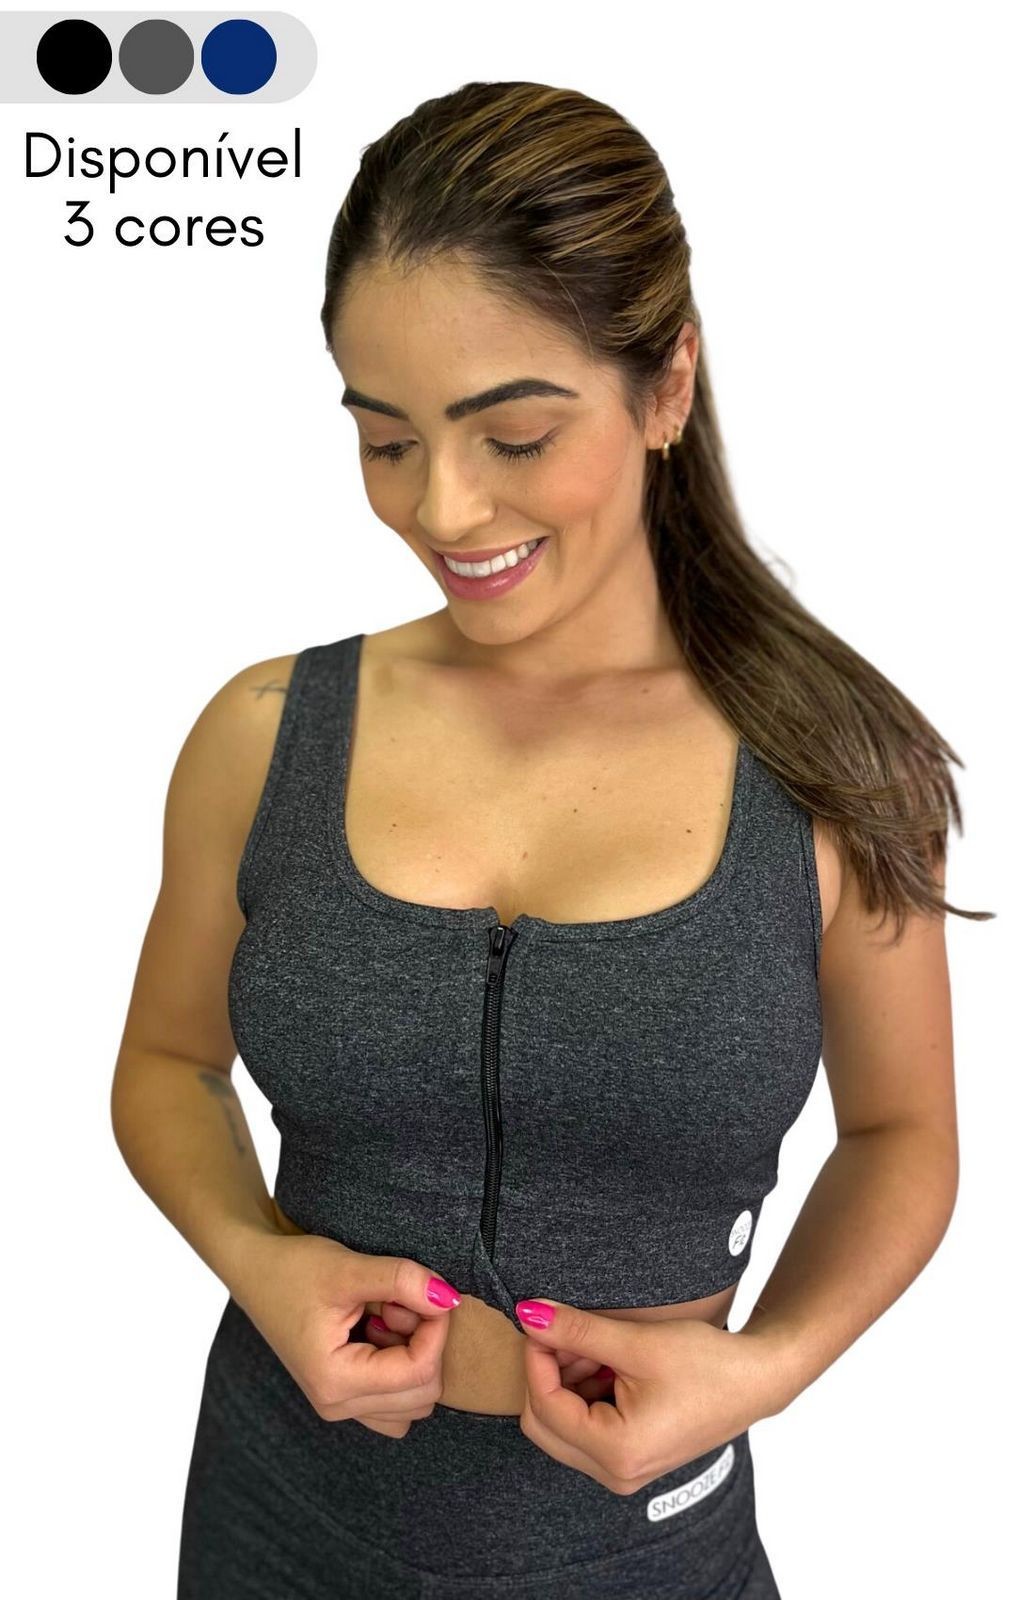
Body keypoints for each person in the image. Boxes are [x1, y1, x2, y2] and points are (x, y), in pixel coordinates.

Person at [110, 80, 988, 1599]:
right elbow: (166, 1064)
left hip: (642, 1559)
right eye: (388, 441)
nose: (446, 510)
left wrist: (768, 1366)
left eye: (513, 435)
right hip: (272, 1528)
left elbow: (903, 1139)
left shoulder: (836, 771)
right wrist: (264, 1261)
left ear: (667, 385)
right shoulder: (262, 735)